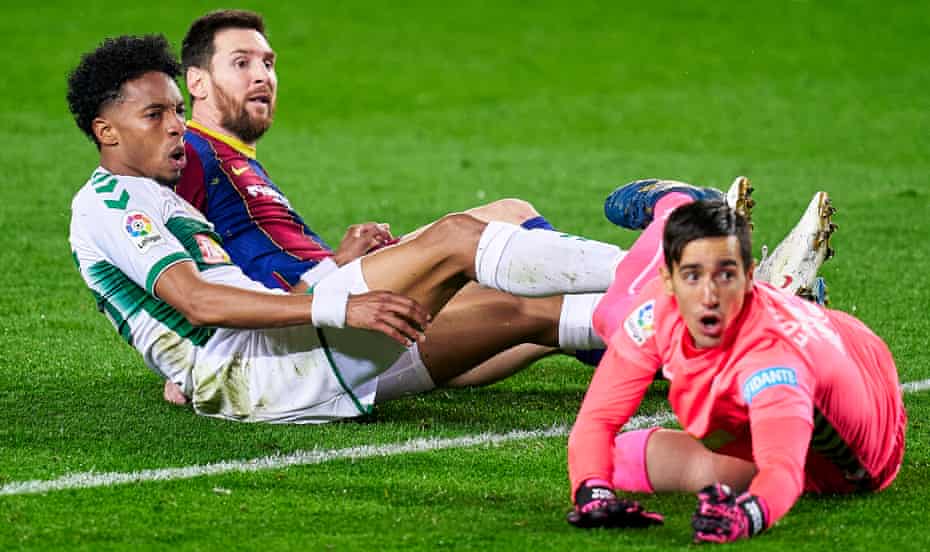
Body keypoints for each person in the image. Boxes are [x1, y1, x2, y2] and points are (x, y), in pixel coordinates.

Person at [162, 9, 784, 406]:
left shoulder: (235, 156)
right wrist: (188, 362)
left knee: (525, 272)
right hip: (318, 337)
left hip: (333, 307)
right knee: (495, 261)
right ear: (195, 82)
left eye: (268, 63)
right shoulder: (188, 150)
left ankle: (701, 337)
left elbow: (245, 255)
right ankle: (683, 265)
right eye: (240, 64)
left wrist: (336, 259)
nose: (263, 76)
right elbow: (176, 267)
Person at [67, 34, 695, 424]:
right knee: (454, 238)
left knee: (522, 314)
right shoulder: (112, 203)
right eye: (156, 114)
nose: (177, 125)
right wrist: (339, 303)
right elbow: (199, 304)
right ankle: (680, 255)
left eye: (177, 110)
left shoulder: (157, 195)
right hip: (259, 368)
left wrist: (334, 283)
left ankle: (697, 340)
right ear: (107, 131)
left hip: (274, 372)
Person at [564, 198, 906, 543]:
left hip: (859, 454)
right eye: (692, 276)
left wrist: (749, 514)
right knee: (621, 457)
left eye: (725, 275)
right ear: (668, 280)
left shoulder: (773, 360)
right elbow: (597, 420)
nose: (709, 295)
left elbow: (783, 470)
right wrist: (593, 492)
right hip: (825, 346)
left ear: (749, 277)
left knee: (712, 436)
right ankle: (798, 304)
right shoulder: (652, 311)